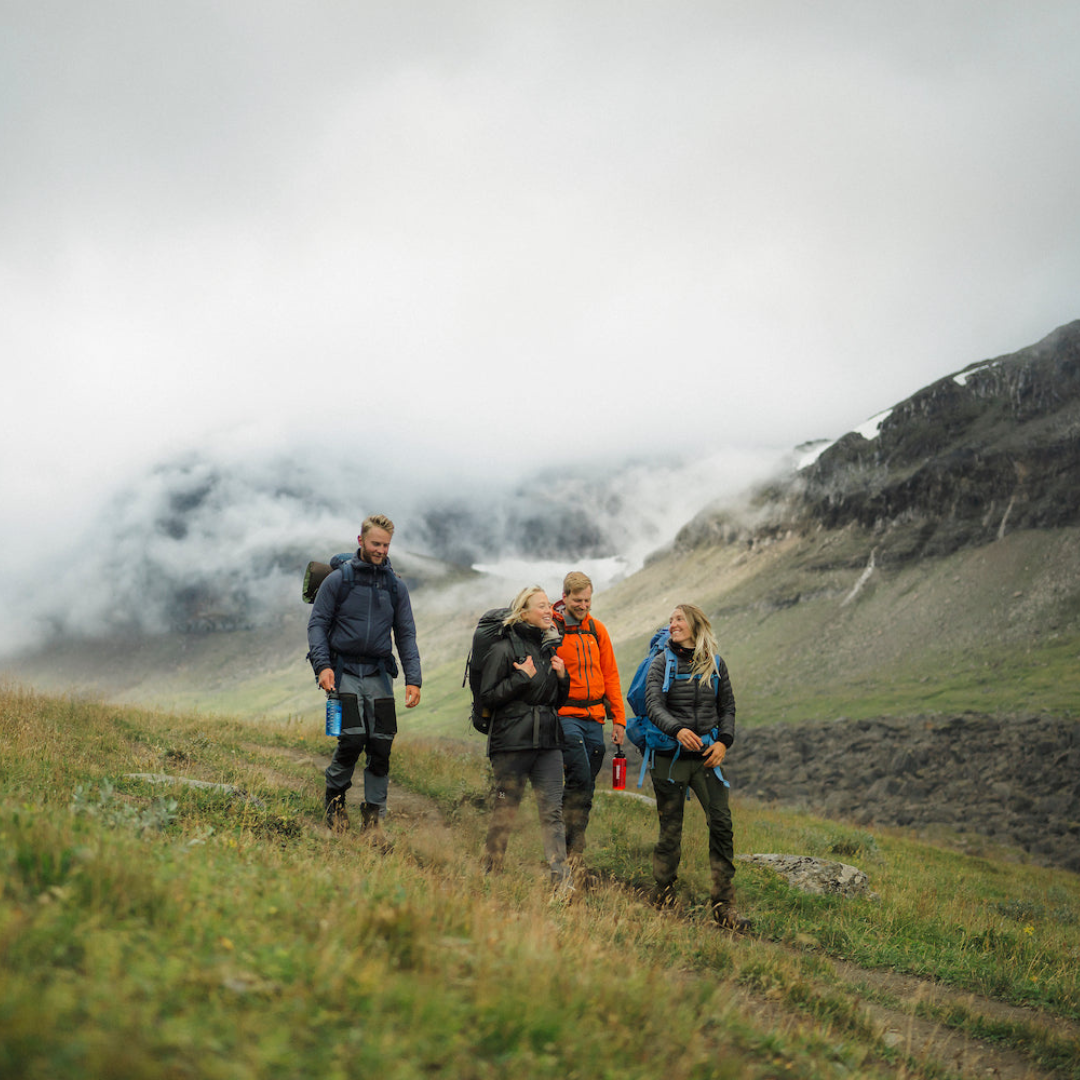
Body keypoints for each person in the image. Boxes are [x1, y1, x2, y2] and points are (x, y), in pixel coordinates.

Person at [307, 514, 422, 838]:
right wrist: (323, 665)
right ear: (361, 541)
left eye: (386, 545)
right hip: (343, 669)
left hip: (378, 671)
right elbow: (317, 624)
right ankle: (335, 798)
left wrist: (414, 678)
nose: (381, 550)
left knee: (382, 743)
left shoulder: (395, 586)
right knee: (353, 738)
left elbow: (406, 634)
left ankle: (374, 818)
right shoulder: (338, 581)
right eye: (375, 544)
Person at [644, 603, 750, 930]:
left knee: (721, 823)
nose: (672, 623)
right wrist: (677, 729)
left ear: (695, 625)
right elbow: (652, 704)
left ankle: (723, 905)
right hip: (669, 757)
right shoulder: (661, 662)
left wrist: (723, 742)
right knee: (671, 829)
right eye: (671, 619)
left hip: (707, 757)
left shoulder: (716, 665)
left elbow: (727, 707)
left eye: (679, 619)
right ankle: (663, 896)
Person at [479, 585, 572, 892]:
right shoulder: (504, 649)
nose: (549, 611)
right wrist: (521, 678)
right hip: (511, 744)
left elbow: (553, 703)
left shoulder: (549, 651)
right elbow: (488, 697)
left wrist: (563, 679)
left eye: (549, 606)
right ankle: (490, 872)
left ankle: (561, 881)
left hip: (548, 743)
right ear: (523, 613)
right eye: (541, 606)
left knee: (553, 812)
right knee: (506, 808)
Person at [552, 570, 625, 864]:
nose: (583, 606)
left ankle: (573, 846)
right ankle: (569, 844)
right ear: (565, 596)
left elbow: (610, 674)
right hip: (565, 715)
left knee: (587, 784)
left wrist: (619, 719)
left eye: (588, 601)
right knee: (579, 775)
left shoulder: (597, 630)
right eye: (578, 600)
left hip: (595, 716)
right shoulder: (552, 629)